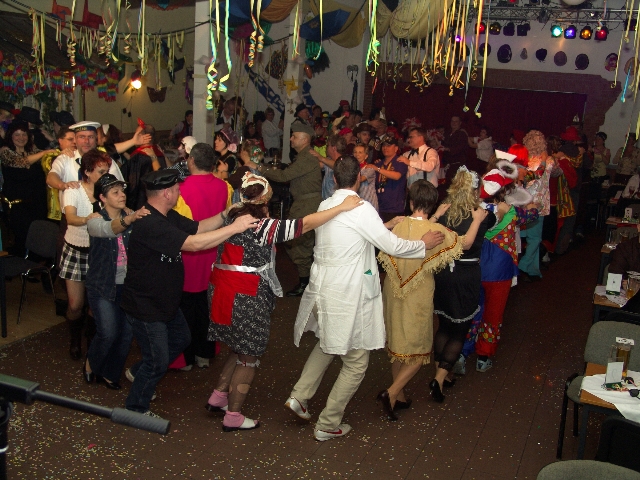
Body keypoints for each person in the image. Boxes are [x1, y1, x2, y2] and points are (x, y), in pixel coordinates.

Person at [284, 156, 446, 441]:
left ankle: (299, 395)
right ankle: (328, 423)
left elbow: (352, 233)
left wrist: (385, 223)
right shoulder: (361, 208)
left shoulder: (325, 204)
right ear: (359, 178)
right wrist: (423, 244)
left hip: (324, 288)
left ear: (334, 179)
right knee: (356, 361)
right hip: (345, 293)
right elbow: (392, 245)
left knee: (327, 343)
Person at [205, 173, 364, 431]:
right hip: (245, 295)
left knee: (238, 346)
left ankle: (219, 396)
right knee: (249, 357)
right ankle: (233, 416)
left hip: (221, 291)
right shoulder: (262, 225)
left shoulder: (233, 216)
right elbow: (305, 224)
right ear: (266, 201)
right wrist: (341, 207)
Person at [121, 169, 259, 416]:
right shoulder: (150, 223)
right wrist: (234, 228)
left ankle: (138, 372)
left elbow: (198, 228)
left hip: (165, 301)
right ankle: (136, 408)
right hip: (146, 305)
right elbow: (194, 244)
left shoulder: (166, 215)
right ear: (166, 193)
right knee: (157, 361)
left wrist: (225, 214)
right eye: (176, 189)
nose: (179, 192)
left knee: (180, 339)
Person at [377, 179, 470, 419]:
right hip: (418, 293)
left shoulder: (398, 224)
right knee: (418, 351)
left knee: (398, 344)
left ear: (410, 202)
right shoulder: (436, 232)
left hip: (392, 289)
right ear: (433, 204)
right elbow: (465, 243)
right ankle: (391, 392)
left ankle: (400, 397)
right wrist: (478, 219)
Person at [431, 167, 495, 391]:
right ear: (475, 190)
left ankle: (441, 374)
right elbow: (472, 240)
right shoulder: (482, 214)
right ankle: (439, 379)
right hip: (465, 276)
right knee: (460, 329)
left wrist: (437, 215)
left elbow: (430, 230)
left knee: (444, 326)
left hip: (443, 273)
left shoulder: (444, 211)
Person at [84, 174, 149, 389]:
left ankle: (110, 373)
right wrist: (129, 219)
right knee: (108, 333)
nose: (122, 195)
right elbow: (107, 230)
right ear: (102, 198)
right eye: (115, 192)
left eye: (122, 191)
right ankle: (91, 363)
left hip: (128, 286)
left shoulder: (132, 216)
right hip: (102, 285)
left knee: (126, 334)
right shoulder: (94, 220)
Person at [475, 164, 539, 373]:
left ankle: (461, 352)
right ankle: (483, 356)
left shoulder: (475, 210)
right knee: (493, 313)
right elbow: (532, 215)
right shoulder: (511, 212)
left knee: (473, 310)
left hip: (474, 267)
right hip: (500, 270)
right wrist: (533, 207)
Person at [173, 143, 229, 370]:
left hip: (188, 254)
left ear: (192, 161)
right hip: (214, 254)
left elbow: (177, 226)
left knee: (185, 307)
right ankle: (205, 353)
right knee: (208, 305)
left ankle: (185, 358)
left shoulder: (180, 189)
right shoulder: (225, 187)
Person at [60, 150, 112, 361]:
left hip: (98, 252)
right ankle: (74, 339)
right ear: (88, 172)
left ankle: (91, 342)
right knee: (75, 304)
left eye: (107, 171)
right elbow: (71, 218)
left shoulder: (107, 191)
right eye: (101, 171)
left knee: (94, 305)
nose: (106, 175)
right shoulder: (74, 190)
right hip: (76, 250)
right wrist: (89, 219)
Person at [260, 122, 322, 297]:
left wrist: (260, 168)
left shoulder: (306, 157)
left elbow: (284, 176)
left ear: (304, 139)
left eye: (294, 136)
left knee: (298, 242)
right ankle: (307, 279)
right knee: (298, 241)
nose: (291, 139)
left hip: (306, 205)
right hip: (304, 203)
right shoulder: (304, 156)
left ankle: (305, 283)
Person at [0, 122, 55, 254]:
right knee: (21, 240)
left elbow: (54, 154)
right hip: (17, 206)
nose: (21, 138)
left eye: (24, 134)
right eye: (17, 134)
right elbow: (21, 162)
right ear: (10, 136)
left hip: (36, 203)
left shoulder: (33, 150)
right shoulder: (5, 151)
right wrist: (44, 152)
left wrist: (52, 141)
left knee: (39, 239)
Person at [519, 130, 553, 282]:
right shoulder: (548, 161)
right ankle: (523, 265)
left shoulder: (525, 161)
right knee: (535, 238)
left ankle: (532, 269)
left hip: (524, 202)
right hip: (538, 204)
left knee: (527, 237)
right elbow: (552, 172)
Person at [121, 124, 167, 210]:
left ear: (144, 137)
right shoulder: (159, 153)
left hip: (140, 202)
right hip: (158, 201)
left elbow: (132, 182)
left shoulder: (139, 156)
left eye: (137, 134)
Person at [369, 136, 408, 222]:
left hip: (395, 208)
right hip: (378, 206)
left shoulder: (400, 162)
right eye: (384, 145)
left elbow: (397, 176)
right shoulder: (378, 163)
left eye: (389, 146)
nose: (385, 148)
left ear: (396, 148)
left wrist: (378, 169)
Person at [41, 126, 76, 222]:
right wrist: (61, 155)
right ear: (60, 140)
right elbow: (49, 167)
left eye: (76, 139)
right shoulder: (51, 155)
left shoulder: (80, 154)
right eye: (70, 139)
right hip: (57, 207)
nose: (74, 142)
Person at [353, 144, 378, 211]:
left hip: (369, 203)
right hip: (357, 204)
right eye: (355, 152)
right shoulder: (352, 168)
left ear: (366, 156)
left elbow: (360, 179)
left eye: (360, 152)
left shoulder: (369, 168)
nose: (357, 155)